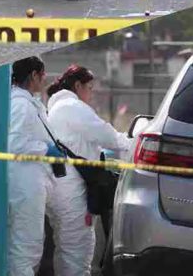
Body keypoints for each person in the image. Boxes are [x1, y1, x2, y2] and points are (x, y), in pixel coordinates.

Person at [46, 65, 132, 276]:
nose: (91, 94)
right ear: (78, 85)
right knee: (78, 252)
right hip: (72, 192)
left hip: (61, 186)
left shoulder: (56, 107)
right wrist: (133, 143)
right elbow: (106, 135)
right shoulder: (71, 107)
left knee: (65, 250)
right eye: (90, 88)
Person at [7, 56, 65, 276]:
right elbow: (14, 144)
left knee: (29, 245)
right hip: (24, 183)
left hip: (30, 182)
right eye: (42, 74)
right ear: (33, 75)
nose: (44, 79)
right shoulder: (21, 105)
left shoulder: (27, 102)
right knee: (25, 248)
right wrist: (46, 149)